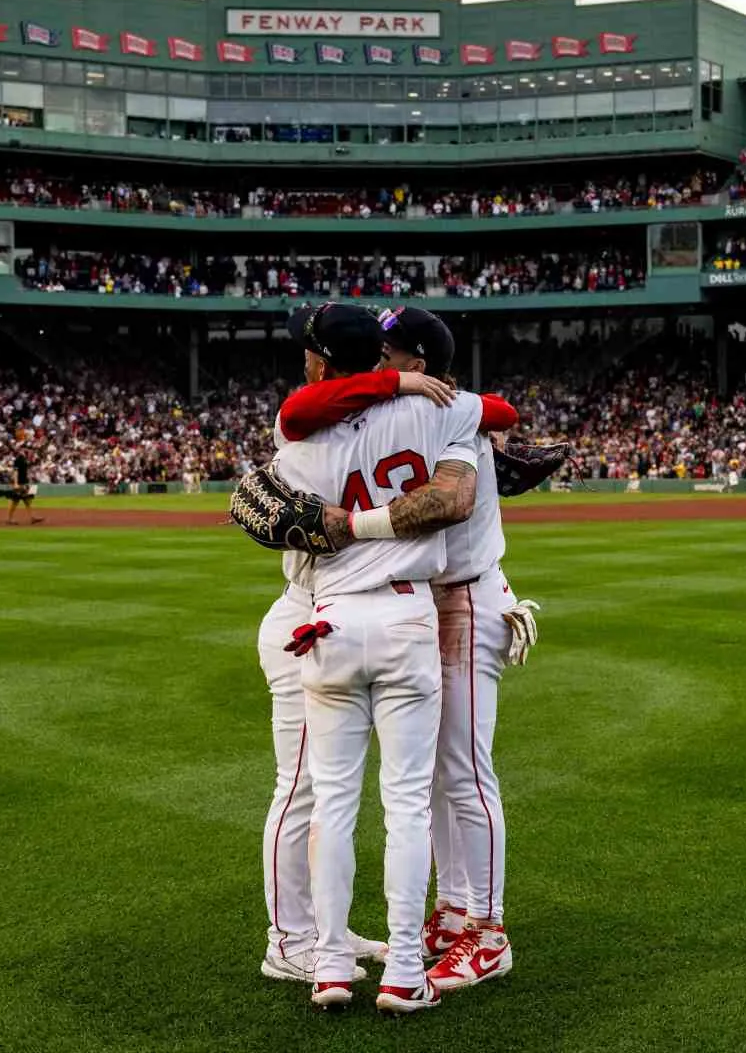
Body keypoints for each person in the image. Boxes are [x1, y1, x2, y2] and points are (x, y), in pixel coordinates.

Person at [276, 306, 531, 993]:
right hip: (419, 607)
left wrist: (349, 524)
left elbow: (459, 480)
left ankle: (487, 929)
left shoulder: (448, 413)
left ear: (419, 363)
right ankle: (451, 915)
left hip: (467, 598)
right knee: (437, 782)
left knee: (464, 776)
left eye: (390, 356)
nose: (378, 366)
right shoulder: (426, 410)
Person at [5, 446, 44, 525]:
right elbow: (15, 472)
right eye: (26, 449)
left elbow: (25, 471)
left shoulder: (24, 459)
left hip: (24, 482)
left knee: (27, 501)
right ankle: (9, 519)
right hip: (19, 483)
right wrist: (15, 483)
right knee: (15, 501)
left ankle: (32, 517)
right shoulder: (18, 459)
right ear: (21, 450)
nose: (28, 450)